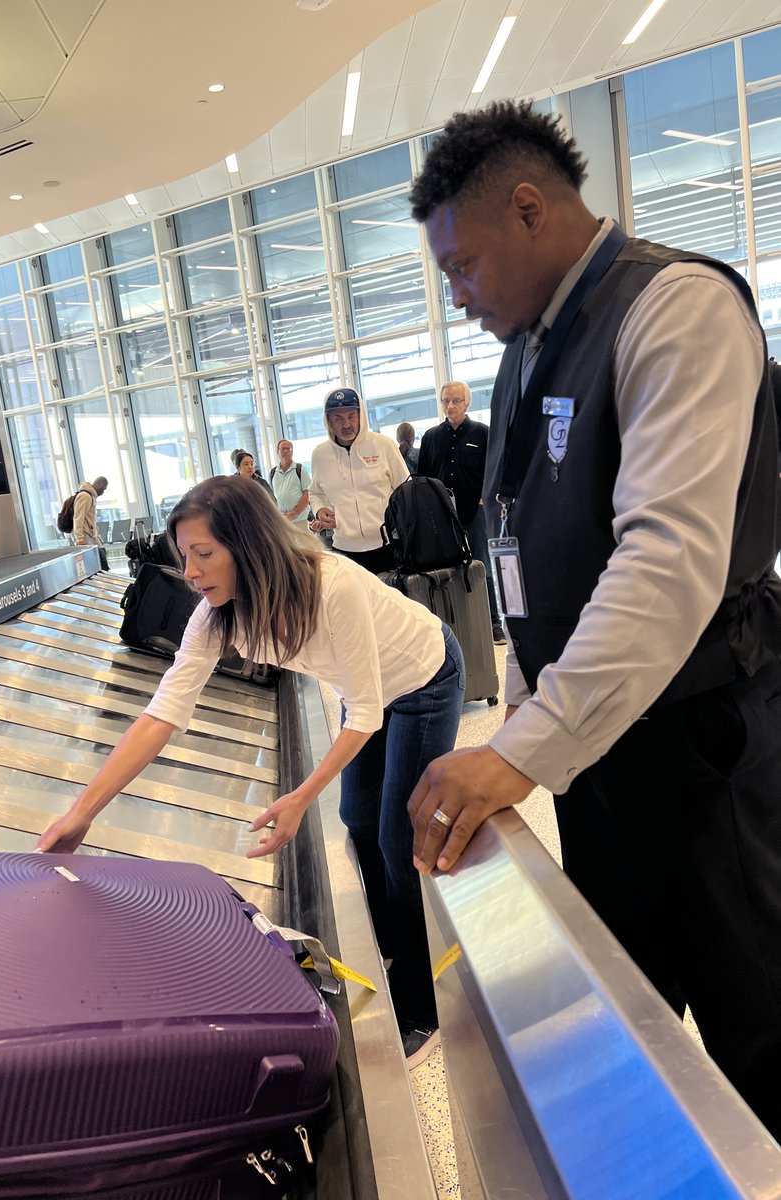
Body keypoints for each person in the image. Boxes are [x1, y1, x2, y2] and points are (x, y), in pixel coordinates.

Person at [405, 98, 781, 1137]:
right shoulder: (528, 347)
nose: (459, 297)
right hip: (604, 754)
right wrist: (529, 728)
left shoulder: (676, 308)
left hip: (707, 746)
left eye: (462, 267)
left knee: (759, 1026)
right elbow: (530, 542)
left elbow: (667, 564)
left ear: (531, 210)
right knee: (638, 1017)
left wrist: (522, 749)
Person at [36, 476, 465, 1064]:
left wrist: (298, 798)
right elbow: (163, 713)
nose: (189, 570)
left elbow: (364, 713)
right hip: (365, 693)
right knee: (358, 819)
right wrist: (80, 814)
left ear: (249, 544)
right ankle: (392, 945)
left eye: (204, 554)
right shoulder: (217, 617)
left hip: (423, 679)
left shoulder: (327, 582)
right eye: (185, 555)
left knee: (396, 837)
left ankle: (421, 1006)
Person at [417, 381, 506, 644]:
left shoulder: (482, 433)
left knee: (482, 567)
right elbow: (423, 477)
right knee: (446, 570)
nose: (450, 406)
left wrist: (485, 498)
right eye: (446, 400)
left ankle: (493, 623)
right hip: (443, 517)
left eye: (456, 401)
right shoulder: (432, 437)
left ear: (467, 403)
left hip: (475, 513)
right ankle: (453, 625)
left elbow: (495, 470)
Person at [309, 387, 410, 573]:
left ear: (360, 415)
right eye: (338, 418)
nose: (346, 424)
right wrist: (319, 509)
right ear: (329, 421)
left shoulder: (383, 446)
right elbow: (315, 492)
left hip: (387, 545)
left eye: (351, 416)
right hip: (345, 550)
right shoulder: (320, 455)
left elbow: (406, 490)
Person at [269, 439, 312, 523]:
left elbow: (308, 494)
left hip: (301, 519)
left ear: (292, 452)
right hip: (283, 521)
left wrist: (295, 513)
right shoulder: (272, 473)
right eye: (283, 449)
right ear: (277, 452)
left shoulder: (300, 469)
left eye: (289, 449)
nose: (286, 451)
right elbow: (271, 497)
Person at [73, 476, 109, 571]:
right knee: (93, 566)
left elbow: (90, 519)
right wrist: (79, 539)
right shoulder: (85, 496)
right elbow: (78, 518)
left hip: (92, 537)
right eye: (103, 489)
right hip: (85, 537)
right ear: (100, 485)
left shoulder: (91, 496)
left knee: (102, 558)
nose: (103, 492)